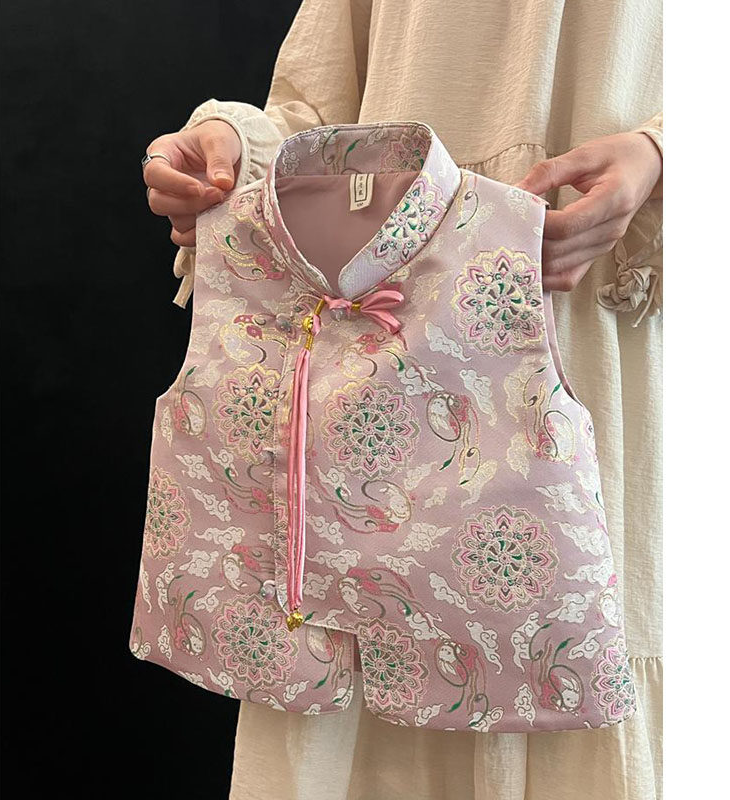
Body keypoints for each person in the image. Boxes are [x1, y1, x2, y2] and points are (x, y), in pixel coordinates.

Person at [141, 2, 662, 798]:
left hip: (588, 290)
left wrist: (665, 151)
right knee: (343, 627)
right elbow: (314, 101)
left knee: (560, 648)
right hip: (363, 317)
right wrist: (238, 152)